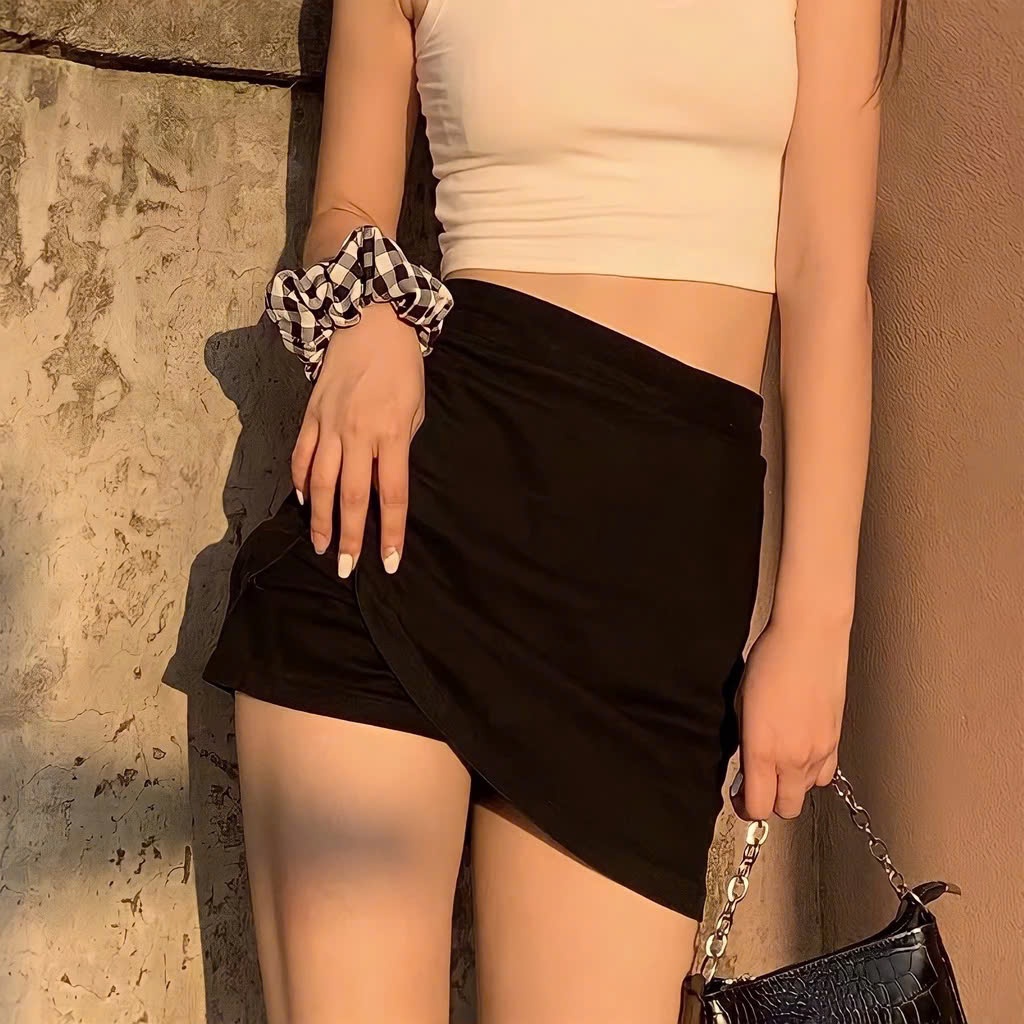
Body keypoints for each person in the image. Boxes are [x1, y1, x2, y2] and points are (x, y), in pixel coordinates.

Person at [202, 1, 904, 1020]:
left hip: (653, 616)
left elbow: (827, 279)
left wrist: (815, 624)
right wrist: (370, 319)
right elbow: (347, 202)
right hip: (398, 542)